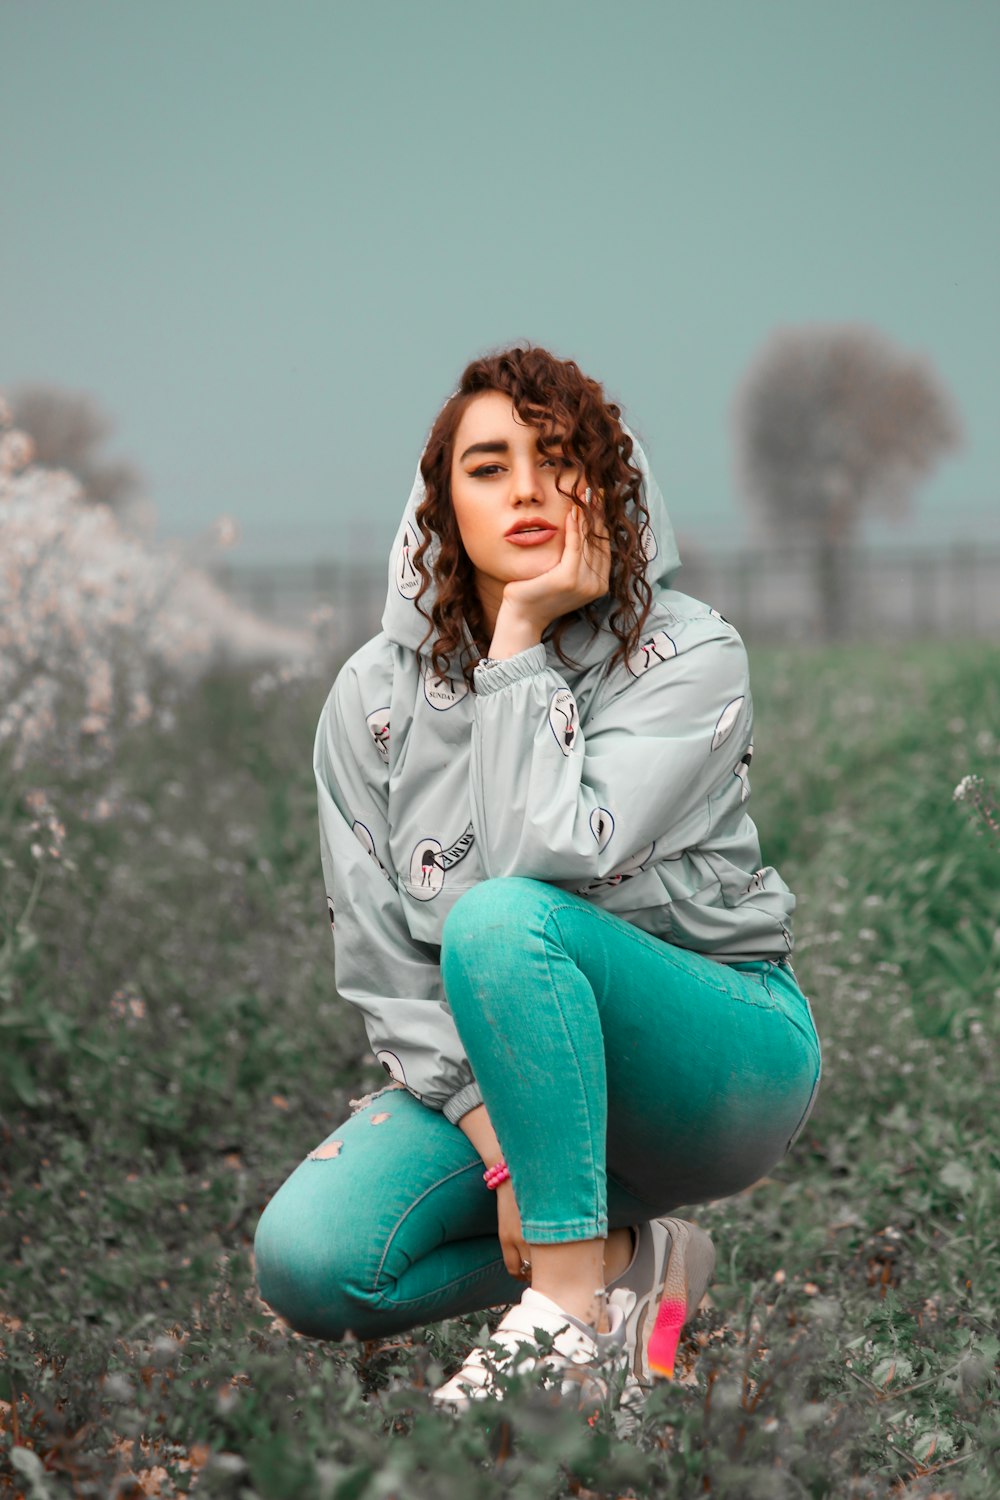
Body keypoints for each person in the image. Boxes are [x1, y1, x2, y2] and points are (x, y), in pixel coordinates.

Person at [252, 343, 822, 1415]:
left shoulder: (688, 652)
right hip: (501, 1075)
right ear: (439, 506)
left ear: (608, 486)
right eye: (487, 464)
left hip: (711, 1056)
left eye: (560, 457)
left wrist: (517, 644)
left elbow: (543, 866)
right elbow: (383, 962)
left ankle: (566, 1318)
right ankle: (625, 1263)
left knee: (503, 916)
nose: (525, 487)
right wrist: (504, 1153)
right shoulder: (373, 699)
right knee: (312, 1259)